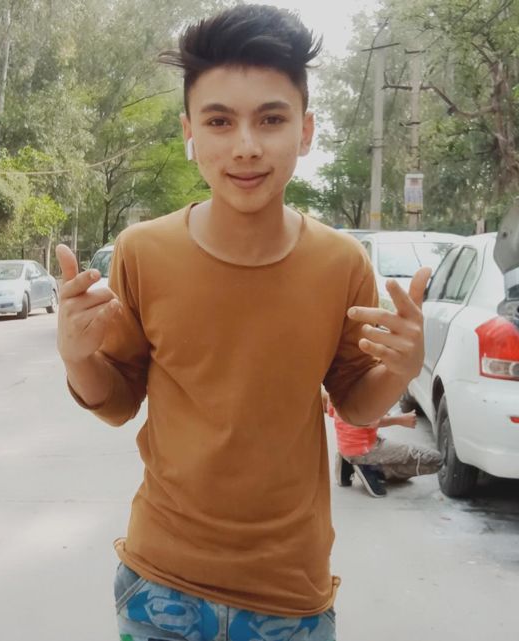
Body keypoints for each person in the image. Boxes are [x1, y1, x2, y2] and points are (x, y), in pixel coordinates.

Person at [55, 5, 431, 641]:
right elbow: (117, 403)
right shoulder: (143, 251)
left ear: (306, 131)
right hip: (159, 585)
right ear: (190, 132)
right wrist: (77, 356)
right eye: (219, 121)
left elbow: (355, 406)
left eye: (272, 119)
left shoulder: (341, 263)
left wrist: (401, 369)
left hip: (289, 594)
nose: (247, 146)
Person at [323, 390, 442, 498]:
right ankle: (372, 468)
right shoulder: (364, 385)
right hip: (366, 448)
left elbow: (332, 412)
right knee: (435, 460)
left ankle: (348, 458)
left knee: (395, 453)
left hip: (346, 444)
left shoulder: (337, 385)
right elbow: (371, 422)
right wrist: (401, 420)